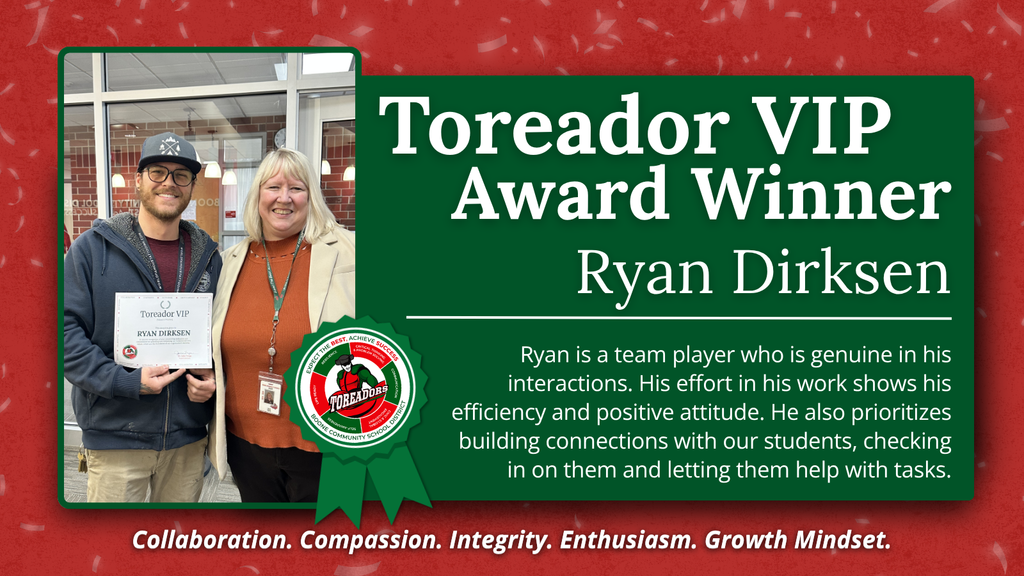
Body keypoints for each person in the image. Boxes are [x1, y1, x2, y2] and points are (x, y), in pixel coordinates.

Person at [63, 132, 222, 502]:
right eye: (157, 172)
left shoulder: (210, 258)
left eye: (181, 175)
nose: (169, 182)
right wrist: (125, 381)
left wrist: (213, 382)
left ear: (192, 187)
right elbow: (64, 334)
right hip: (116, 436)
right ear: (138, 180)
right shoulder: (92, 250)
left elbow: (221, 334)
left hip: (186, 439)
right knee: (113, 555)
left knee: (172, 552)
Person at [209, 148, 355, 502]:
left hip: (327, 445)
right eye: (273, 187)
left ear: (311, 196)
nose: (284, 198)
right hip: (246, 445)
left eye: (297, 188)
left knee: (324, 552)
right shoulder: (228, 262)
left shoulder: (349, 251)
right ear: (258, 195)